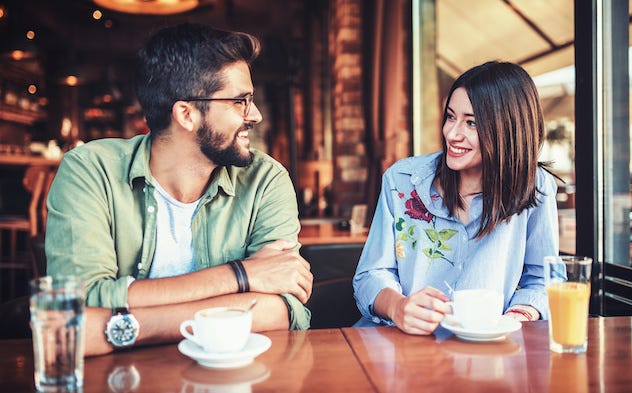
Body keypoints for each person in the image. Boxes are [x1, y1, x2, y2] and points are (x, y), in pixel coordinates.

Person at [46, 23, 313, 355]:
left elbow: (283, 308)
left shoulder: (264, 180)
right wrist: (241, 276)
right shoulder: (89, 171)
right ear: (186, 114)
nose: (255, 115)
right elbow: (76, 302)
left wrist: (120, 327)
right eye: (239, 102)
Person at [353, 61, 559, 335]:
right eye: (451, 117)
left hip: (488, 354)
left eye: (471, 123)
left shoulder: (535, 187)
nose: (452, 133)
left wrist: (514, 318)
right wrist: (397, 307)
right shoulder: (401, 180)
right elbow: (370, 274)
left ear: (508, 129)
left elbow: (544, 280)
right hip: (401, 346)